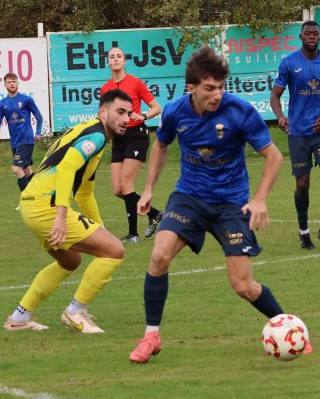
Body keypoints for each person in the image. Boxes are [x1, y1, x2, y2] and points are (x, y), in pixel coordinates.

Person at [129, 47, 306, 364]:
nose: (217, 95)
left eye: (221, 87)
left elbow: (274, 156)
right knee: (158, 255)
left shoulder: (240, 112)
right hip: (190, 198)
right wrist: (148, 190)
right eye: (210, 88)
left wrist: (260, 199)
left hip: (231, 206)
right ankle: (151, 336)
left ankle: (288, 327)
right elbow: (160, 145)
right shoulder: (174, 112)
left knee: (243, 285)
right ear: (191, 87)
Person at [3, 90, 134, 333]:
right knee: (115, 251)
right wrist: (61, 216)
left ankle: (19, 318)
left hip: (31, 203)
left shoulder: (92, 133)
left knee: (69, 260)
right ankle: (75, 312)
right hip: (46, 206)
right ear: (103, 112)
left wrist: (99, 226)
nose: (126, 118)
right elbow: (65, 168)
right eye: (120, 112)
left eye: (128, 113)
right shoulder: (95, 137)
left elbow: (84, 193)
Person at [269, 20, 320, 250]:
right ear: (300, 36)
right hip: (298, 132)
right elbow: (275, 96)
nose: (312, 36)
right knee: (303, 184)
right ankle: (303, 232)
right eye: (308, 33)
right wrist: (280, 117)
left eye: (316, 34)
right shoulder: (289, 63)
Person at [101, 47, 163, 243]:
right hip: (118, 138)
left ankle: (133, 234)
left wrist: (143, 115)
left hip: (137, 134)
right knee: (118, 190)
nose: (116, 59)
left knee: (127, 184)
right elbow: (104, 116)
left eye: (119, 56)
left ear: (125, 61)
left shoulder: (135, 83)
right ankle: (154, 213)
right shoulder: (105, 88)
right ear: (108, 63)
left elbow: (156, 108)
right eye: (112, 57)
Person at [0, 73, 46, 195]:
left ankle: (28, 198)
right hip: (15, 142)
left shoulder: (26, 100)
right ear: (5, 84)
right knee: (26, 170)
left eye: (14, 81)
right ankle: (42, 194)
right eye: (9, 82)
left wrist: (37, 133)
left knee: (16, 169)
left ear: (17, 83)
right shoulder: (3, 103)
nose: (12, 84)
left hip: (26, 140)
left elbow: (39, 117)